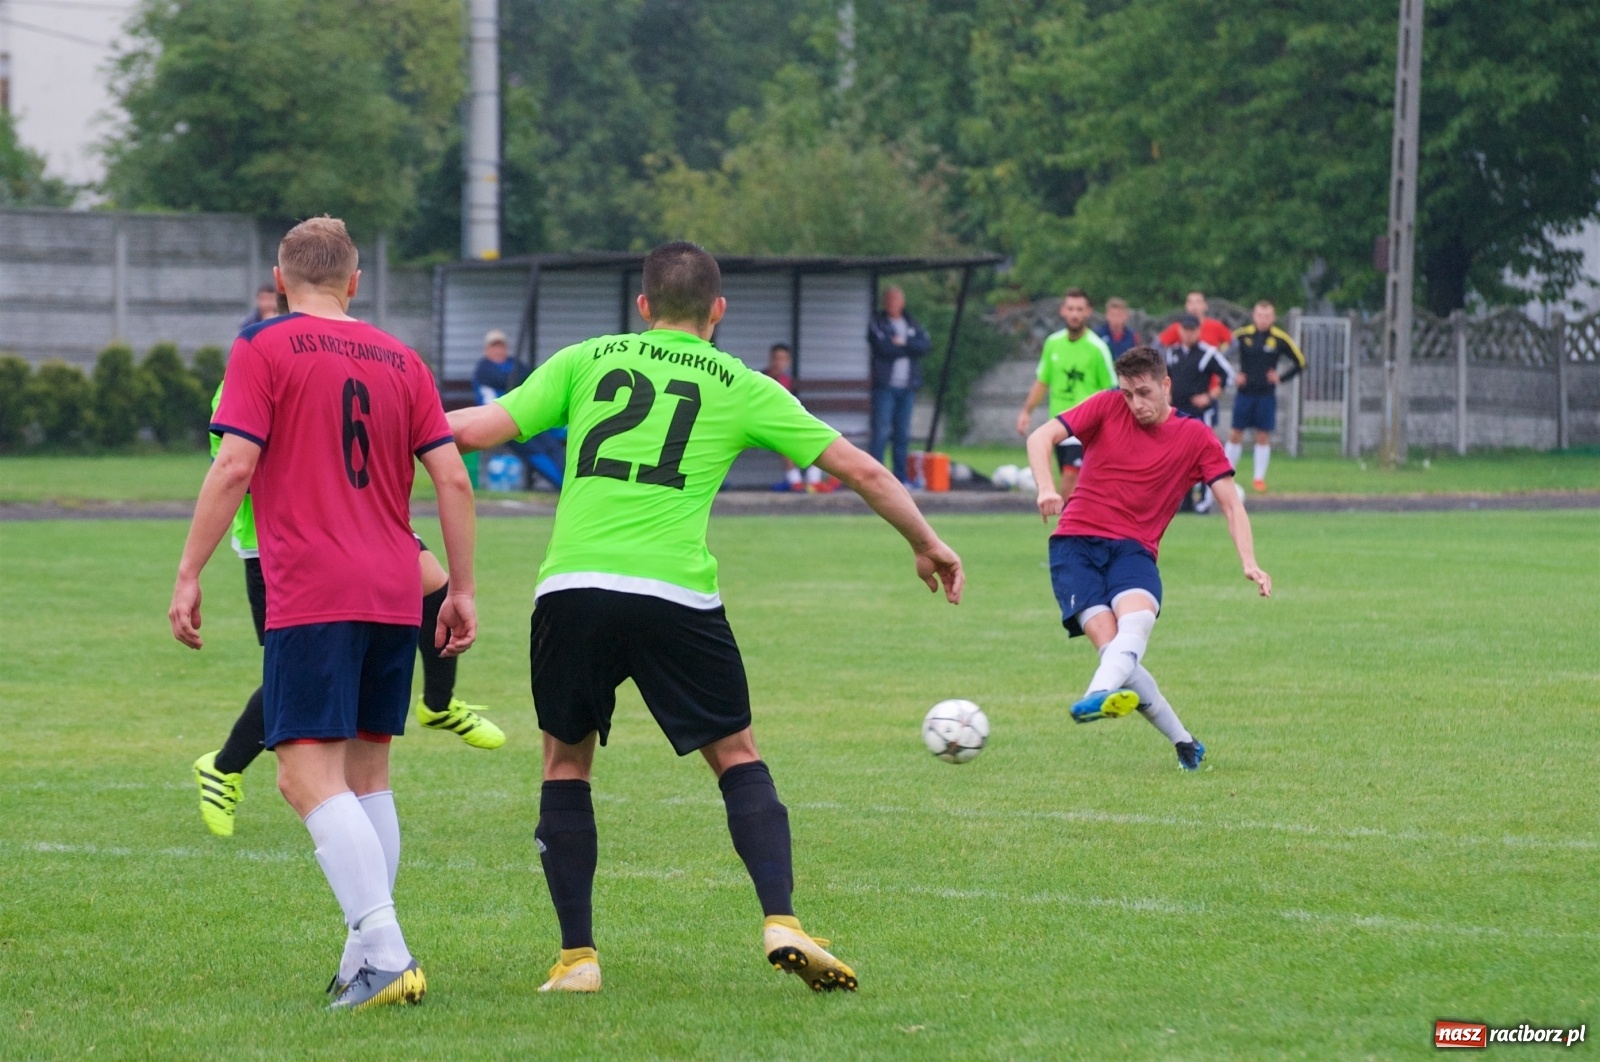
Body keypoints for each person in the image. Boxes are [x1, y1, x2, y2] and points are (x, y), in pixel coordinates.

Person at [447, 241, 964, 996]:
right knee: (737, 756)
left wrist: (384, 422)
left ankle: (577, 959)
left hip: (574, 587)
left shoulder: (588, 357)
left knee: (566, 763)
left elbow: (473, 430)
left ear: (644, 306)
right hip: (674, 593)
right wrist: (927, 542)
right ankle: (781, 920)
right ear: (719, 311)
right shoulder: (742, 383)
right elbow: (863, 469)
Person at [169, 216, 479, 1010]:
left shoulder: (262, 347)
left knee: (304, 777)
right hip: (394, 587)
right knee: (367, 777)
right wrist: (462, 590)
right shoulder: (402, 358)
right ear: (356, 281)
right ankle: (360, 957)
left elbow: (235, 462)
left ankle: (387, 952)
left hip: (312, 587)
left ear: (279, 278)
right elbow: (453, 481)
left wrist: (189, 570)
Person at [192, 384, 505, 841]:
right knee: (300, 672)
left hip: (351, 527)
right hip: (278, 543)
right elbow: (240, 464)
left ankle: (438, 704)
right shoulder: (253, 373)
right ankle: (222, 768)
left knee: (436, 591)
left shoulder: (332, 360)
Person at [1025, 345, 1271, 770]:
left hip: (1134, 550)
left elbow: (1231, 504)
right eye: (1127, 393)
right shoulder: (1106, 406)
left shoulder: (1195, 437)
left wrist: (1248, 561)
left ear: (1166, 385)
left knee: (1134, 626)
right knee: (1117, 653)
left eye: (1143, 393)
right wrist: (1046, 487)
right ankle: (1185, 743)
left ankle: (1095, 696)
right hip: (1075, 546)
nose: (1134, 404)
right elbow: (1040, 436)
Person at [1014, 288, 1115, 496]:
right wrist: (1026, 412)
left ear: (1088, 312)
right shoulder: (1053, 343)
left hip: (1086, 427)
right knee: (1073, 483)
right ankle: (1077, 523)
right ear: (1063, 311)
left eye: (1079, 309)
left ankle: (1067, 526)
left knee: (1071, 478)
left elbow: (1112, 390)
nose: (1075, 314)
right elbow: (1043, 381)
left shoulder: (1097, 348)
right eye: (1070, 308)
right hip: (1059, 424)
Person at [1225, 299, 1305, 492]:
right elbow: (1218, 356)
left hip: (1266, 395)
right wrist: (1233, 377)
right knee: (1236, 433)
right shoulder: (1242, 336)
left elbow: (1300, 362)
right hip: (1244, 394)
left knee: (1262, 435)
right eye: (1260, 315)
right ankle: (1227, 474)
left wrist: (1281, 377)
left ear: (1273, 318)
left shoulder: (1280, 338)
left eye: (1267, 316)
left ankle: (1258, 478)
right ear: (1254, 316)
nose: (1263, 319)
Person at [474, 329, 566, 490]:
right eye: (494, 346)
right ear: (487, 350)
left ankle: (567, 481)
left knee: (552, 445)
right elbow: (490, 399)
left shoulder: (517, 366)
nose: (498, 350)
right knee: (533, 449)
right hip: (502, 421)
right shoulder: (484, 370)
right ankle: (562, 484)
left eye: (501, 346)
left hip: (527, 416)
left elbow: (532, 382)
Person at [1163, 313, 1235, 514]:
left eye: (1192, 330)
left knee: (1202, 454)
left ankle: (1204, 499)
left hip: (1199, 413)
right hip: (1177, 411)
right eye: (1185, 330)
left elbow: (1228, 375)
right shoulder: (1172, 352)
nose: (1188, 334)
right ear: (1179, 330)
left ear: (1198, 331)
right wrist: (1166, 395)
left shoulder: (1208, 353)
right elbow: (1164, 377)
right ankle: (1184, 500)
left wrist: (1210, 397)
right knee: (1179, 457)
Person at [866, 285, 932, 484]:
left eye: (896, 299)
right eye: (890, 299)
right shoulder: (878, 322)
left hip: (907, 387)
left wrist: (901, 343)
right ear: (885, 302)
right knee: (881, 431)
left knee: (902, 434)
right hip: (885, 387)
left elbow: (924, 346)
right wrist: (908, 347)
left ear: (902, 302)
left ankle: (900, 478)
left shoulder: (911, 321)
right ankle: (875, 476)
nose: (893, 303)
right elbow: (883, 348)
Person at [763, 343, 825, 492]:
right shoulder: (761, 379)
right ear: (771, 360)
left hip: (787, 423)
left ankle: (813, 480)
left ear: (788, 361)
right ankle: (795, 482)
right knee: (784, 439)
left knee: (816, 436)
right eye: (776, 358)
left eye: (783, 359)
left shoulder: (790, 382)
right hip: (766, 425)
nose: (779, 362)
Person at [1157, 290, 1234, 349]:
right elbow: (1158, 344)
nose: (1194, 307)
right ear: (1186, 306)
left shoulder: (1215, 326)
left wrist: (1222, 356)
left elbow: (1233, 342)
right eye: (1190, 303)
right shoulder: (1177, 327)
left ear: (1205, 306)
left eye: (1198, 302)